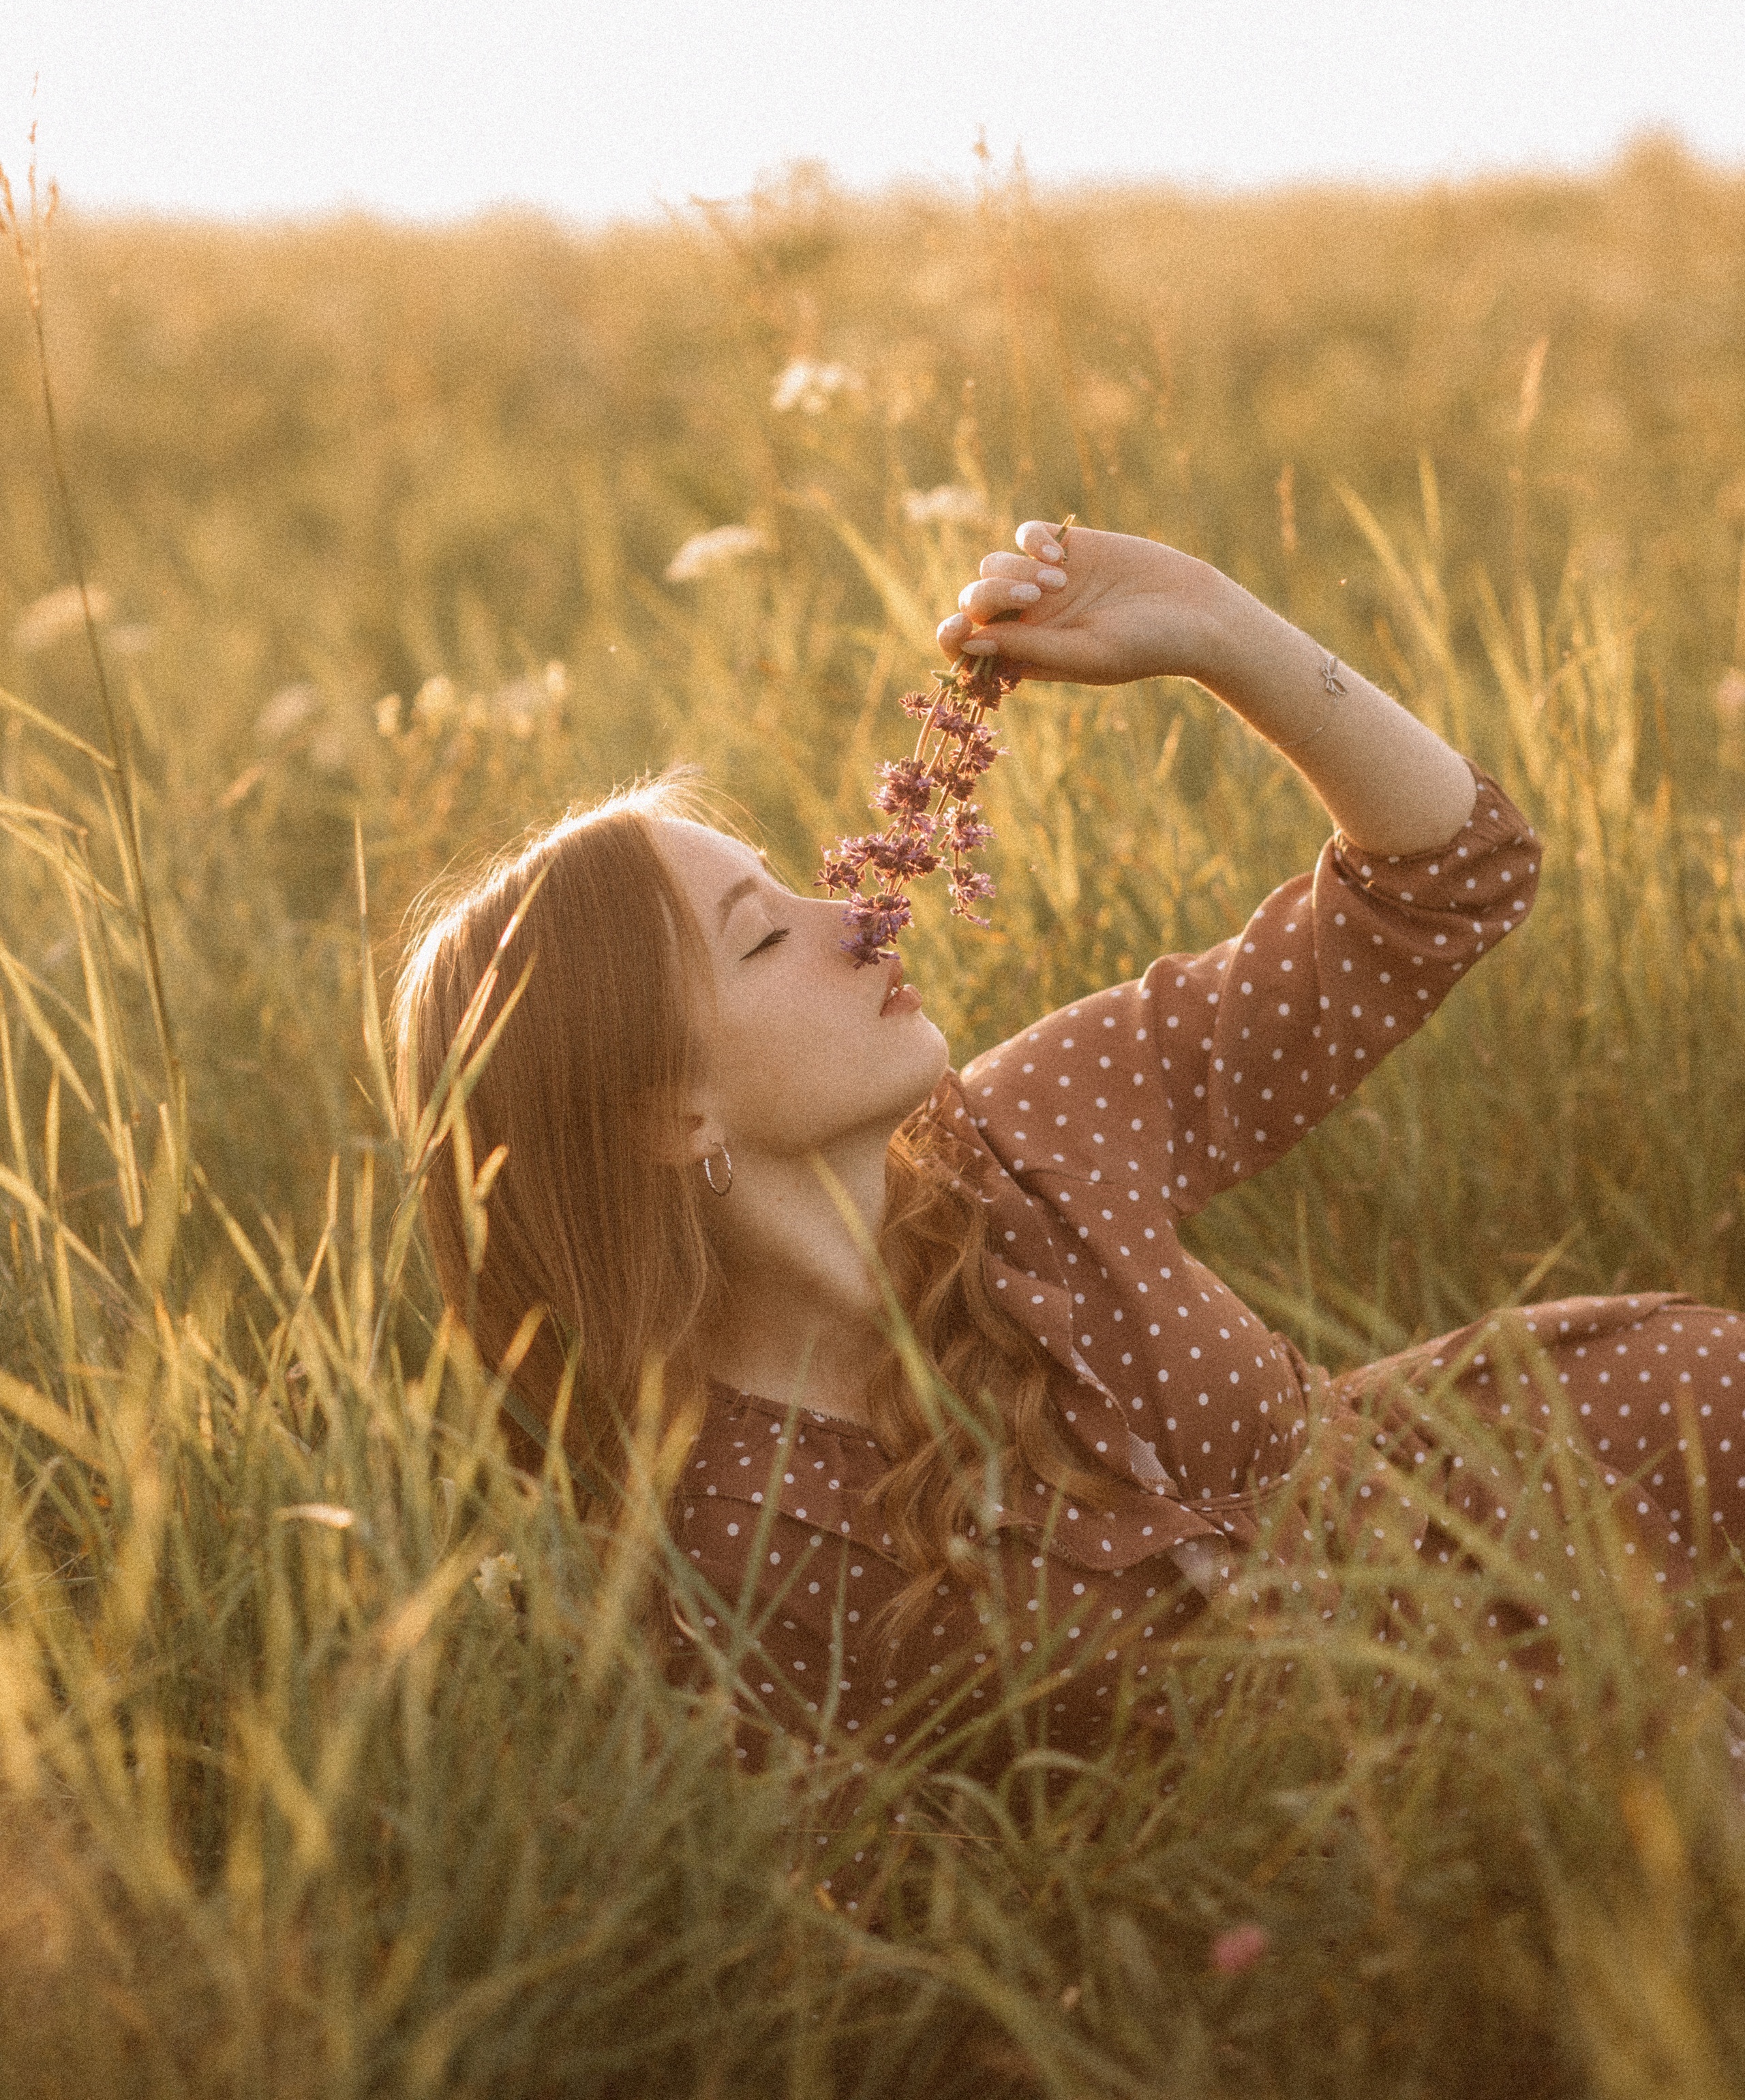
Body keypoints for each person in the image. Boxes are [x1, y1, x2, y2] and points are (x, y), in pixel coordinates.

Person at [393, 522, 1745, 1761]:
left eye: (806, 884)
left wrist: (1213, 628)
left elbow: (1451, 878)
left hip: (1603, 1502)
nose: (859, 917)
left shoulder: (1024, 1132)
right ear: (664, 1111)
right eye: (763, 934)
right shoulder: (731, 1545)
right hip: (1470, 1817)